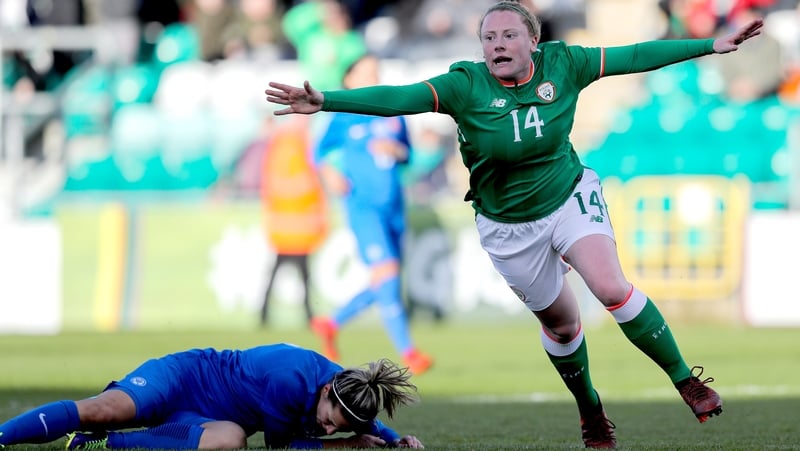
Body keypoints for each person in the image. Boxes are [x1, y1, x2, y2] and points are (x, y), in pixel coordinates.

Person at [265, 1, 764, 448]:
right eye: (489, 37)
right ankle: (590, 409)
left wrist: (709, 45)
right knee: (563, 325)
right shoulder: (465, 85)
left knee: (611, 287)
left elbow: (634, 55)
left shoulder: (565, 64)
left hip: (568, 194)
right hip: (507, 226)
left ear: (533, 41)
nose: (497, 45)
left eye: (508, 35)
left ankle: (685, 380)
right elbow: (401, 97)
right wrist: (327, 100)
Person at [0, 343, 423, 450]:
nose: (327, 429)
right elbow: (280, 446)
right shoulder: (291, 379)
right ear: (326, 389)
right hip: (182, 377)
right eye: (329, 420)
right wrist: (346, 445)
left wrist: (394, 440)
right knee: (102, 409)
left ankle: (100, 445)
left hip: (207, 418)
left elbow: (363, 421)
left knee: (231, 440)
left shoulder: (347, 393)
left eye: (336, 429)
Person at [308, 54, 433, 376]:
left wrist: (397, 151)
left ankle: (331, 323)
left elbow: (408, 154)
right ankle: (409, 353)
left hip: (394, 206)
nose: (373, 78)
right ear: (348, 80)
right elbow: (318, 152)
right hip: (363, 206)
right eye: (365, 73)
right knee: (387, 273)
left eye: (376, 72)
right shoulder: (343, 115)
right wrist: (329, 173)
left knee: (387, 280)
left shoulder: (394, 113)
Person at [259, 115, 329, 326]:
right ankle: (304, 313)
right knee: (299, 270)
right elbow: (299, 181)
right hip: (294, 223)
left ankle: (266, 312)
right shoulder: (292, 141)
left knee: (288, 269)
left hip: (292, 224)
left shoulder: (289, 140)